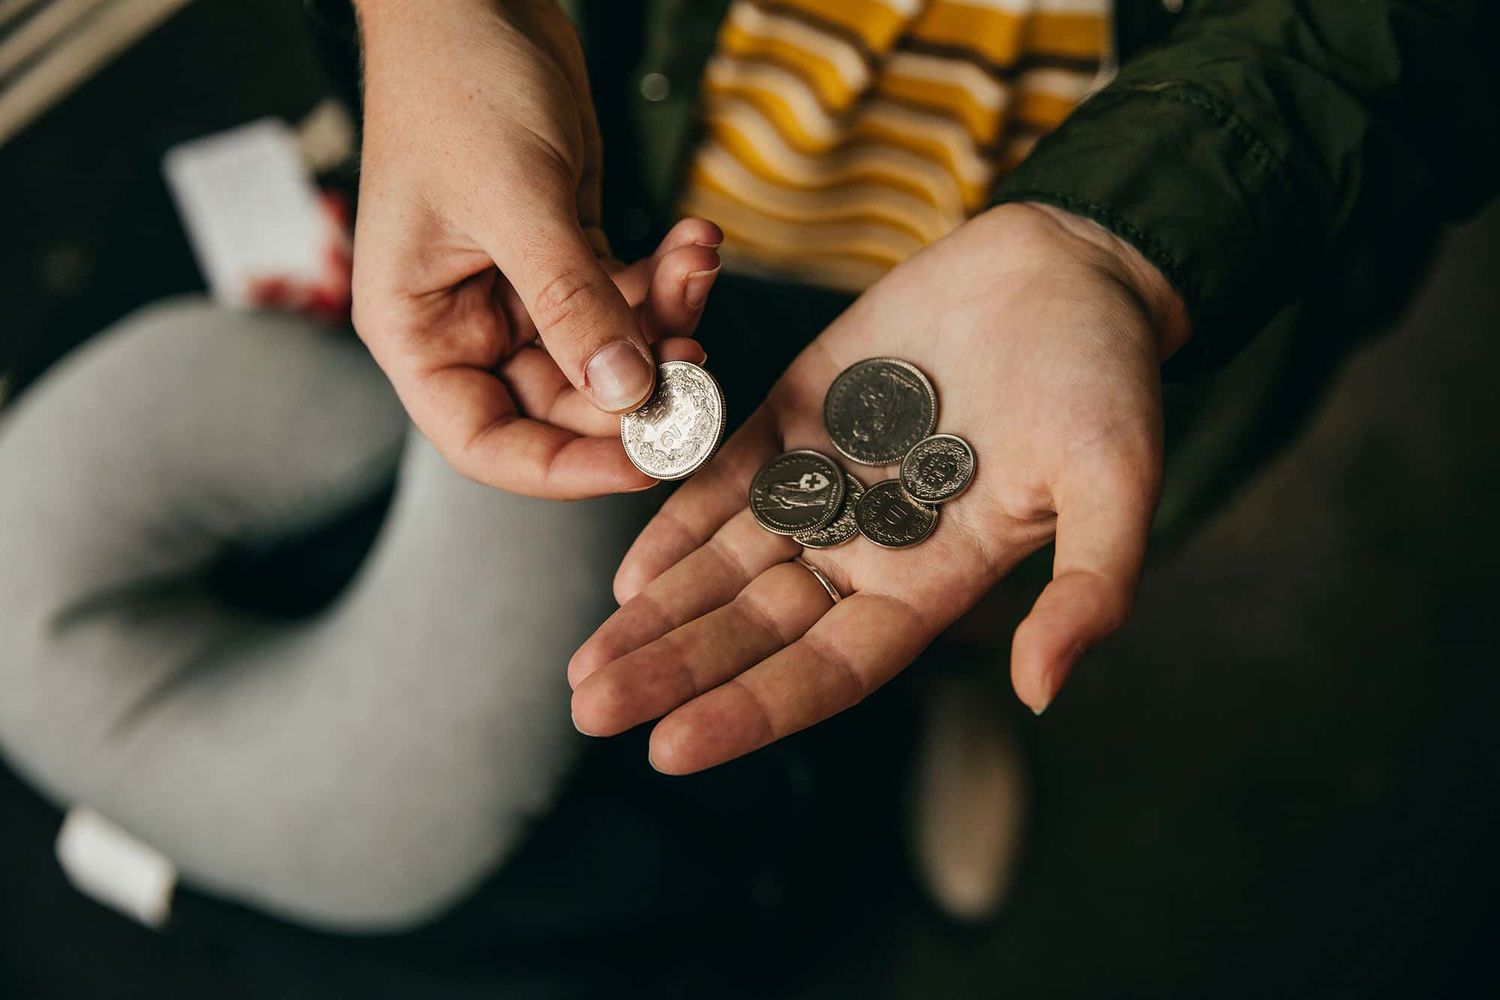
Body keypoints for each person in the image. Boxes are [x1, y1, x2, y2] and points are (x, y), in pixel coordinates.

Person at [346, 0, 1497, 775]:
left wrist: (1134, 226)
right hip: (692, 172)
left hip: (1195, 238)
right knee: (762, 537)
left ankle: (954, 689)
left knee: (1005, 552)